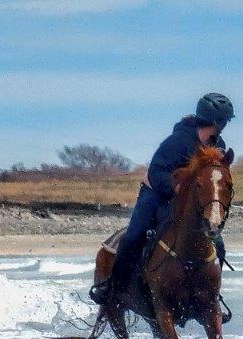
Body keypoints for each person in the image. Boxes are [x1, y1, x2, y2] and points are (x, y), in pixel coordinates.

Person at [90, 93, 235, 305]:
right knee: (134, 236)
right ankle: (113, 287)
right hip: (156, 195)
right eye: (225, 121)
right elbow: (156, 171)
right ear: (216, 122)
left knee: (218, 245)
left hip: (187, 204)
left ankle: (211, 295)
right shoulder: (177, 141)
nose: (226, 125)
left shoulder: (218, 144)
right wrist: (176, 187)